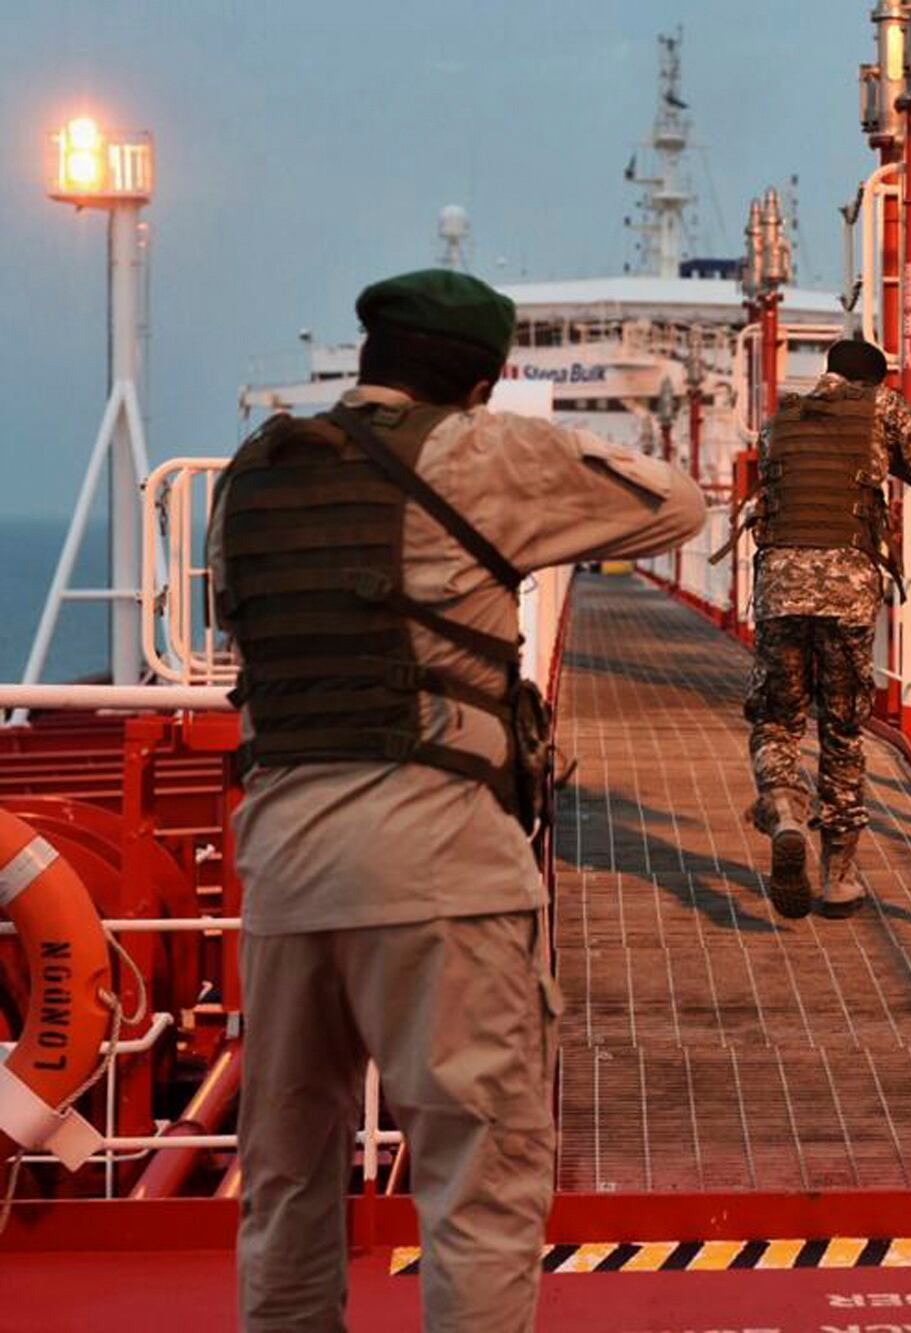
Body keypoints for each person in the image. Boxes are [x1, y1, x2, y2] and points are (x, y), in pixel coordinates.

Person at [214, 268, 705, 1332]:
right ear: (480, 378)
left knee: (286, 1173)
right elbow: (676, 503)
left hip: (282, 871)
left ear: (368, 354)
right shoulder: (483, 450)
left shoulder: (255, 472)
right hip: (436, 862)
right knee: (477, 1177)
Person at [745, 337, 911, 919]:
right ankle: (839, 876)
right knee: (842, 729)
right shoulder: (884, 408)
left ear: (829, 373)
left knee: (776, 719)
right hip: (847, 591)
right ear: (874, 381)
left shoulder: (780, 419)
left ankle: (785, 807)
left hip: (780, 587)